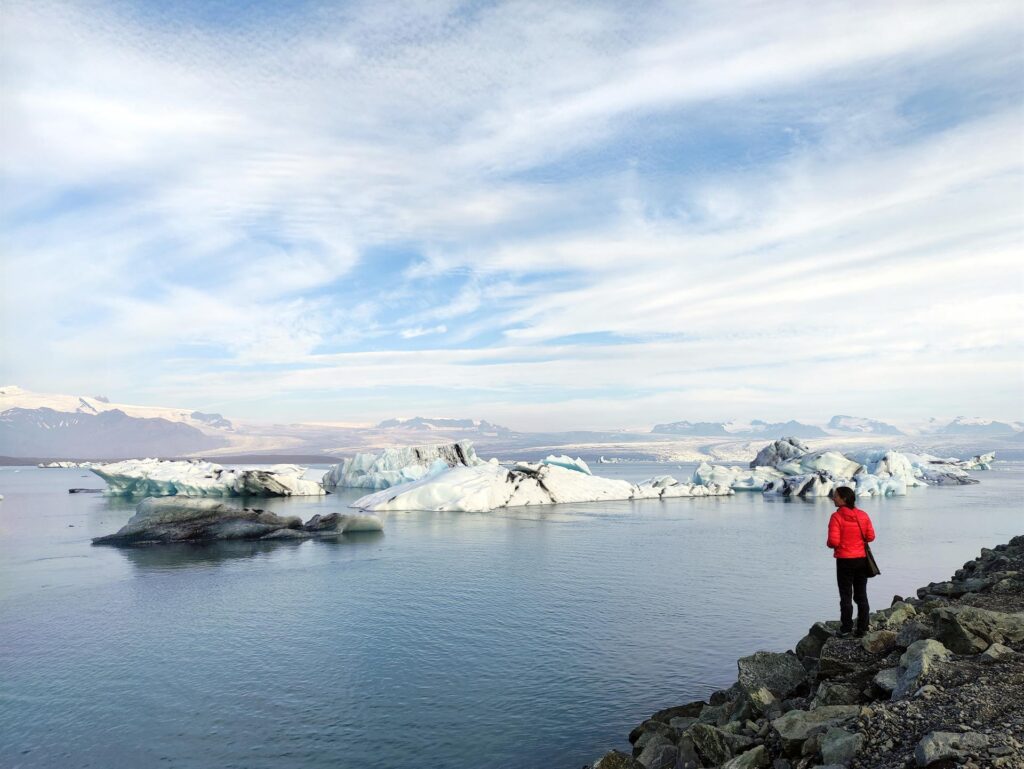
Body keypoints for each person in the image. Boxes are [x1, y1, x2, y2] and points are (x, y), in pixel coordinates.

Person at [827, 486, 875, 638]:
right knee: (861, 595)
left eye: (835, 496)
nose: (833, 498)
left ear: (844, 499)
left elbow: (833, 542)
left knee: (846, 595)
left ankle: (846, 628)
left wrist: (833, 544)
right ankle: (862, 628)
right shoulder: (863, 515)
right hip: (861, 560)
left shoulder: (837, 517)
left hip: (844, 561)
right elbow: (870, 536)